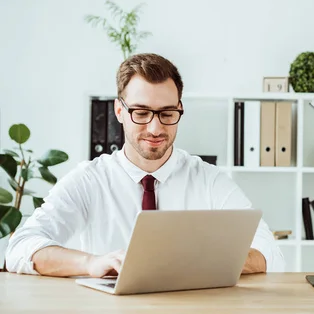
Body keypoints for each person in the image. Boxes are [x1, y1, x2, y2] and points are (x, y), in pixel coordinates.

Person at [5, 53, 285, 277]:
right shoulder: (90, 179)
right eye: (141, 113)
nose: (155, 128)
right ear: (119, 111)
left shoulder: (208, 180)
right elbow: (20, 247)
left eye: (167, 113)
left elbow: (268, 252)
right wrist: (91, 263)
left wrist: (190, 263)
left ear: (180, 110)